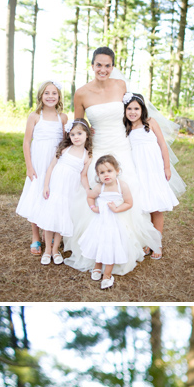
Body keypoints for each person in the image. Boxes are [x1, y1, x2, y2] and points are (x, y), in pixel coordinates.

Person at [65, 46, 182, 273]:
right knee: (98, 189)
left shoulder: (120, 86)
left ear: (113, 66)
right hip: (99, 148)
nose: (103, 69)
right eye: (99, 65)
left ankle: (133, 243)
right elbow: (79, 126)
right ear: (92, 65)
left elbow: (130, 113)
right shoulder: (81, 93)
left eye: (108, 65)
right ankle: (96, 245)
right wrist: (87, 135)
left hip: (121, 146)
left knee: (132, 188)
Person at [123, 92, 181, 253]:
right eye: (129, 109)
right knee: (144, 206)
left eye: (136, 108)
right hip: (139, 171)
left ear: (142, 109)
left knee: (156, 208)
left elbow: (163, 144)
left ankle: (157, 244)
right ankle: (148, 240)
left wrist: (167, 167)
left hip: (154, 170)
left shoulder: (150, 122)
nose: (133, 112)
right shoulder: (127, 128)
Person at [15, 80, 67, 258]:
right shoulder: (35, 116)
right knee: (37, 197)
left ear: (59, 96)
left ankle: (50, 232)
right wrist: (29, 166)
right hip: (38, 162)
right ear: (41, 96)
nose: (50, 96)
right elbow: (26, 141)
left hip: (55, 162)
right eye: (47, 93)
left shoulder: (63, 118)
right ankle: (36, 236)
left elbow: (67, 141)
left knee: (51, 197)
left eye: (54, 93)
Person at [38, 120, 93, 266]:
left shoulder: (87, 156)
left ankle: (56, 250)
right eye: (73, 134)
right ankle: (47, 250)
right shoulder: (64, 149)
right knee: (50, 218)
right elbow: (51, 167)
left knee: (62, 218)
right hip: (55, 188)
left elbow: (83, 176)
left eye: (79, 133)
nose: (76, 137)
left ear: (86, 135)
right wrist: (45, 185)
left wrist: (88, 190)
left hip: (69, 191)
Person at [77, 156, 136, 289]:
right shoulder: (99, 187)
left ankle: (107, 275)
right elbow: (90, 196)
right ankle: (97, 267)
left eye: (109, 171)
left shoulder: (122, 186)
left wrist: (116, 209)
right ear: (98, 175)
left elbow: (129, 203)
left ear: (117, 171)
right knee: (99, 242)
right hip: (100, 221)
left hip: (115, 222)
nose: (106, 175)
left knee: (112, 244)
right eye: (102, 172)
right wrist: (94, 208)